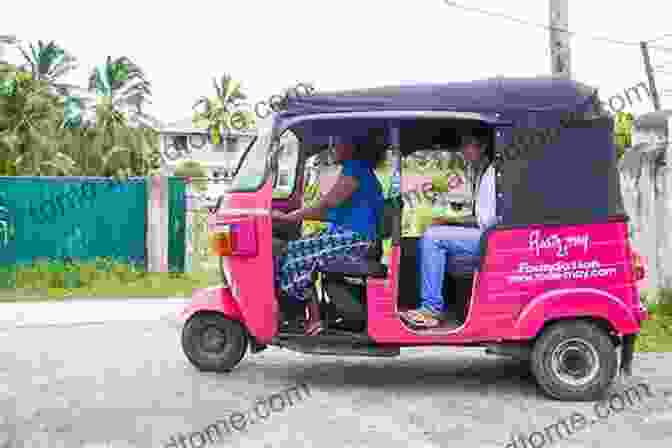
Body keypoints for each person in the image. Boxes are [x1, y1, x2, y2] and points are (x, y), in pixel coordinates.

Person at [272, 137, 386, 335]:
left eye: (337, 142)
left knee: (296, 253)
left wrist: (289, 217)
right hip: (351, 236)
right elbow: (326, 211)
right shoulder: (357, 170)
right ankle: (305, 314)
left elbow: (329, 202)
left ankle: (313, 318)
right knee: (298, 247)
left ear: (352, 145)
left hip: (356, 239)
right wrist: (290, 218)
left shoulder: (355, 168)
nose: (332, 147)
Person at [400, 135, 498, 329]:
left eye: (467, 146)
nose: (463, 151)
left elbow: (486, 221)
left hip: (495, 240)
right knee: (433, 234)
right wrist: (448, 221)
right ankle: (438, 306)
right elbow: (482, 218)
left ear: (483, 147)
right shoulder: (483, 172)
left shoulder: (493, 173)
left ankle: (431, 309)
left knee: (432, 238)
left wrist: (452, 222)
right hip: (488, 236)